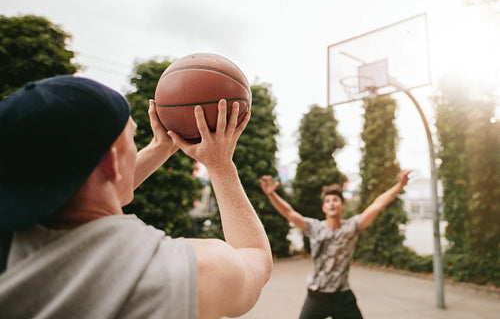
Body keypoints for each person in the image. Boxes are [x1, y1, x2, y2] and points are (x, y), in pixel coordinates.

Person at [0, 75, 273, 319]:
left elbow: (72, 190)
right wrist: (220, 165)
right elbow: (255, 255)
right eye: (132, 138)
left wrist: (159, 148)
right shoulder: (186, 271)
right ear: (111, 162)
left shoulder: (10, 258)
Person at [260, 169, 410, 319]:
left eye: (335, 200)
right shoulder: (315, 227)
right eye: (328, 201)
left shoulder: (351, 227)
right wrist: (271, 194)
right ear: (323, 207)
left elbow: (377, 205)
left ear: (342, 205)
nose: (331, 203)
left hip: (342, 297)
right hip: (317, 296)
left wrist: (399, 185)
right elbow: (289, 213)